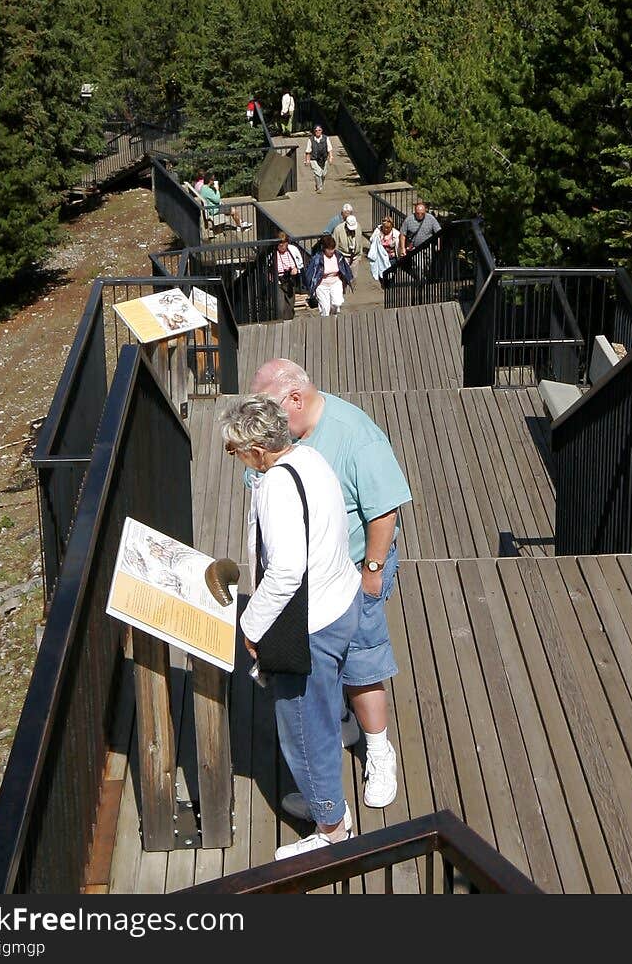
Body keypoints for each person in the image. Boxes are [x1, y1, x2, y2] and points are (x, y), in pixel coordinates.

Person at [250, 358, 412, 813]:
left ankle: (378, 750)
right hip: (308, 582)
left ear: (296, 399)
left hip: (356, 567)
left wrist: (373, 573)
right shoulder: (291, 434)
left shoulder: (355, 436)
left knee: (363, 660)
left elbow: (384, 511)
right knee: (322, 663)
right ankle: (341, 724)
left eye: (272, 411)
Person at [220, 395, 361, 858]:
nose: (235, 458)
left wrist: (252, 626)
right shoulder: (311, 456)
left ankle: (332, 827)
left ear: (257, 451)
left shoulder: (277, 487)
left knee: (304, 728)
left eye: (235, 450)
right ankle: (327, 800)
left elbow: (285, 572)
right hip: (340, 603)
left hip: (309, 625)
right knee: (322, 712)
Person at [304, 234, 353, 316]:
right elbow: (310, 273)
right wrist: (310, 288)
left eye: (333, 249)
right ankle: (326, 324)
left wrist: (348, 279)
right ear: (324, 248)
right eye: (329, 249)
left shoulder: (338, 256)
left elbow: (345, 268)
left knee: (337, 303)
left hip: (335, 282)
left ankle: (334, 319)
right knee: (325, 308)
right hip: (322, 284)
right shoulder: (317, 258)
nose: (331, 251)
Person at [275, 232, 304, 321]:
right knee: (280, 306)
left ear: (287, 243)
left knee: (290, 304)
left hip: (290, 281)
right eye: (279, 243)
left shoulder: (293, 250)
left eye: (283, 243)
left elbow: (300, 263)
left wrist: (296, 269)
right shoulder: (273, 252)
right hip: (278, 281)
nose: (281, 245)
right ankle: (282, 322)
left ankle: (289, 322)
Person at [367, 216, 401, 282]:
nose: (386, 229)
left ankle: (390, 288)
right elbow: (371, 240)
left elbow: (398, 247)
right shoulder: (378, 231)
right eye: (384, 227)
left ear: (392, 227)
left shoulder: (396, 234)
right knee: (382, 276)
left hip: (391, 258)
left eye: (388, 228)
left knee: (390, 276)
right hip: (380, 258)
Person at [333, 211, 363, 281]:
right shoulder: (338, 229)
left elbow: (360, 240)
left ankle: (351, 291)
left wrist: (360, 255)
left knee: (353, 277)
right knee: (344, 277)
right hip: (343, 256)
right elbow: (335, 244)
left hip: (355, 256)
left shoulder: (358, 226)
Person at [305, 124, 333, 192]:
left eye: (319, 130)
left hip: (324, 158)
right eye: (316, 130)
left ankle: (320, 185)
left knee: (323, 174)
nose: (318, 132)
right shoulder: (311, 139)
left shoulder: (326, 138)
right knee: (318, 173)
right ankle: (319, 187)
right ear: (314, 131)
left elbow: (329, 149)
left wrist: (331, 157)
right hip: (314, 159)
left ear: (322, 131)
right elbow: (308, 151)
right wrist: (307, 160)